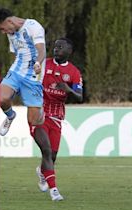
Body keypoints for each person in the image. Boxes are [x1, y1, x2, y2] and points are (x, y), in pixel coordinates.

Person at [0, 8, 63, 201]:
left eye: (2, 28)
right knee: (0, 98)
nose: (3, 32)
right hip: (16, 73)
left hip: (33, 79)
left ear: (8, 21)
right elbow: (16, 55)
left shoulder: (33, 27)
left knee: (34, 122)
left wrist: (39, 63)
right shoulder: (11, 33)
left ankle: (43, 167)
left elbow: (41, 50)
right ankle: (10, 115)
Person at [36, 38, 83, 193]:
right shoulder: (44, 64)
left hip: (56, 115)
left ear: (69, 51)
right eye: (55, 47)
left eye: (60, 47)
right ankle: (53, 189)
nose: (56, 49)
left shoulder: (74, 72)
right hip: (40, 112)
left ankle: (43, 172)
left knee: (53, 155)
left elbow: (80, 97)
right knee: (46, 150)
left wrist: (69, 90)